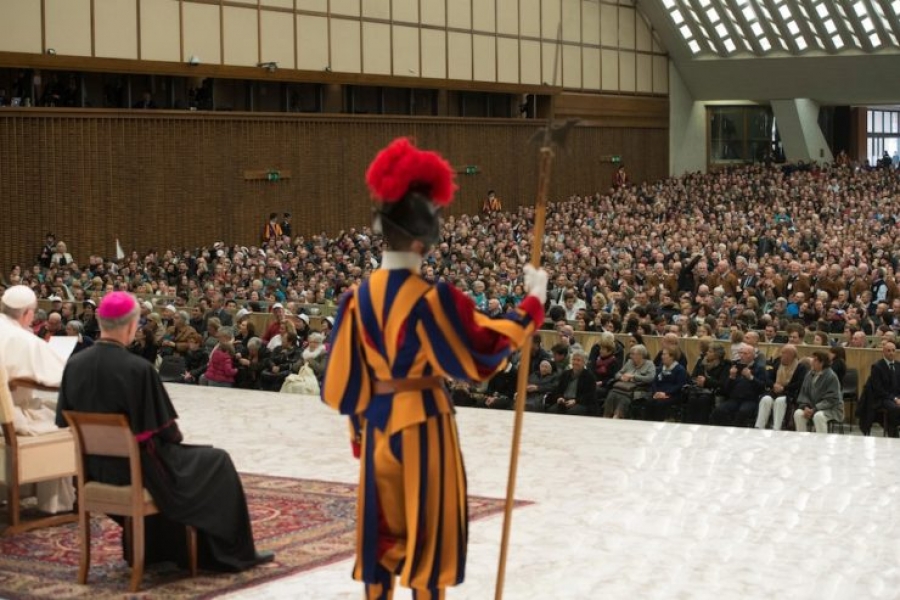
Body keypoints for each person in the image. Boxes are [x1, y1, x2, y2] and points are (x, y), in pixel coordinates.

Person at [322, 138, 546, 600]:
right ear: (423, 243)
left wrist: (359, 434)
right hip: (425, 426)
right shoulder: (432, 299)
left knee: (380, 544)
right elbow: (481, 351)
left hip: (376, 428)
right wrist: (531, 305)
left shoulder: (354, 299)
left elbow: (341, 386)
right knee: (429, 547)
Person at [55, 291, 274, 571]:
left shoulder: (74, 365)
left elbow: (64, 422)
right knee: (217, 461)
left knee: (196, 461)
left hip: (96, 470)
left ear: (99, 322)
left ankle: (160, 551)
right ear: (132, 325)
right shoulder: (138, 369)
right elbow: (169, 434)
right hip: (138, 471)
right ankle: (230, 554)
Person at [0, 285, 76, 514]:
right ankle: (56, 503)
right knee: (65, 419)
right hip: (10, 422)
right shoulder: (23, 339)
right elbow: (63, 377)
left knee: (47, 407)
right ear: (27, 314)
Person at [754, 344, 808, 430]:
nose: (781, 355)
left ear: (791, 355)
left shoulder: (801, 367)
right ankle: (759, 426)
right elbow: (768, 377)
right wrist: (773, 385)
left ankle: (776, 428)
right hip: (775, 390)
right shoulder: (778, 363)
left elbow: (799, 383)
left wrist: (784, 388)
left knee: (780, 401)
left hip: (789, 393)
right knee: (766, 399)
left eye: (784, 353)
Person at [792, 350, 843, 433]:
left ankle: (821, 444)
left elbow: (832, 399)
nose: (812, 362)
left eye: (815, 360)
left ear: (822, 363)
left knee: (818, 416)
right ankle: (802, 441)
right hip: (811, 407)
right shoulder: (809, 374)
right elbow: (804, 393)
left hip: (831, 409)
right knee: (798, 413)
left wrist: (815, 409)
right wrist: (805, 407)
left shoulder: (831, 377)